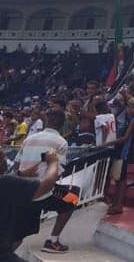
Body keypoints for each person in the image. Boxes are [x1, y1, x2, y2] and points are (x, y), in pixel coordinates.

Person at [13, 109, 74, 254]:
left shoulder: (29, 139)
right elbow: (57, 171)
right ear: (62, 124)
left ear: (47, 121)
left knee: (18, 236)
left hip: (22, 191)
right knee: (72, 199)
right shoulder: (61, 142)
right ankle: (53, 241)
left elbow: (16, 165)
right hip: (42, 193)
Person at [0, 148, 62, 262]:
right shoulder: (5, 183)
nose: (6, 161)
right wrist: (53, 162)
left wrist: (21, 174)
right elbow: (46, 184)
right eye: (3, 158)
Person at [102, 98, 134, 215]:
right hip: (119, 151)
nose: (129, 109)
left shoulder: (133, 120)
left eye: (132, 107)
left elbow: (125, 138)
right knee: (117, 179)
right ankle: (115, 203)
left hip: (125, 152)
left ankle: (118, 205)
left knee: (121, 179)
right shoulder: (125, 119)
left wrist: (110, 142)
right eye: (128, 107)